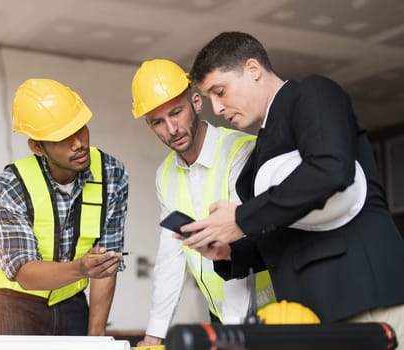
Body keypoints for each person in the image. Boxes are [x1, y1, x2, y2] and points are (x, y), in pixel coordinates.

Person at [186, 31, 404, 337]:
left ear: (253, 69)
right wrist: (231, 251)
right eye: (209, 98)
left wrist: (241, 218)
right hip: (313, 315)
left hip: (366, 299)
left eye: (219, 91)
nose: (217, 108)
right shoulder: (258, 155)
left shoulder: (313, 92)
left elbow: (330, 170)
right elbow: (291, 233)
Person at [130, 59, 274, 346]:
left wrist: (232, 335)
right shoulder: (165, 175)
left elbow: (241, 242)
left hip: (271, 315)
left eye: (176, 112)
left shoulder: (241, 151)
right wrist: (154, 336)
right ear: (149, 125)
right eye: (158, 122)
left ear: (196, 102)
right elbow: (172, 257)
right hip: (222, 319)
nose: (172, 129)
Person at [0, 78, 129, 336]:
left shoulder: (112, 174)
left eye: (80, 128)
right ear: (37, 147)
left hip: (72, 303)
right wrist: (81, 268)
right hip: (16, 305)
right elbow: (25, 273)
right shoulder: (10, 185)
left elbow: (105, 266)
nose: (78, 143)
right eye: (62, 138)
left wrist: (95, 337)